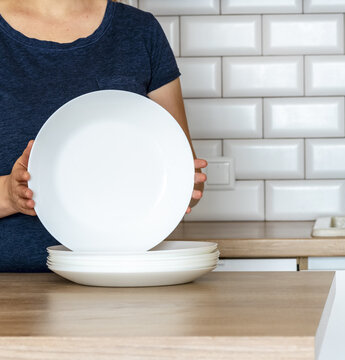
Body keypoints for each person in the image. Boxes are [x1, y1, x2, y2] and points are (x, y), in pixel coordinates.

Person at [0, 0, 207, 271]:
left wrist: (179, 188)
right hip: (9, 288)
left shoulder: (139, 31)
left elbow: (187, 175)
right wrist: (8, 194)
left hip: (117, 279)